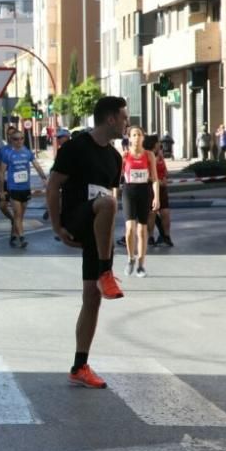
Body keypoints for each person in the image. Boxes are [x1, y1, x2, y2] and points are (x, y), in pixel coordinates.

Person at [46, 96, 128, 390]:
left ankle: (80, 365)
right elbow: (53, 185)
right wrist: (57, 226)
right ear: (110, 119)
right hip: (76, 216)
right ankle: (106, 272)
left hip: (99, 227)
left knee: (91, 299)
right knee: (106, 204)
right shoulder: (76, 147)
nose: (126, 123)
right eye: (124, 118)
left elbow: (113, 195)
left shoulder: (115, 157)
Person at [0, 128, 47, 248]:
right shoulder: (8, 154)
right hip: (13, 188)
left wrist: (44, 178)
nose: (19, 141)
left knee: (20, 215)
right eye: (16, 139)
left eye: (21, 138)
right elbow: (2, 173)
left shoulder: (27, 152)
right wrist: (2, 191)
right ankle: (22, 237)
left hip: (25, 188)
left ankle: (14, 235)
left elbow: (37, 166)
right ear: (11, 140)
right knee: (17, 213)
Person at [120, 126, 160, 277]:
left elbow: (155, 178)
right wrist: (113, 195)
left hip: (144, 191)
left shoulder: (149, 155)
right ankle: (131, 258)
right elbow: (116, 178)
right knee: (130, 228)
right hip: (129, 191)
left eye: (139, 135)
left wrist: (156, 197)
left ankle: (141, 264)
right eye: (134, 135)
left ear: (143, 138)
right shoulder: (124, 155)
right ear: (129, 138)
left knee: (142, 230)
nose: (137, 138)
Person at [144, 135, 173, 248]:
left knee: (164, 212)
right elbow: (147, 172)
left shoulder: (160, 156)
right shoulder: (146, 155)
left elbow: (165, 171)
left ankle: (166, 236)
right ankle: (150, 237)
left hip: (162, 187)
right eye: (157, 143)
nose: (159, 145)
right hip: (151, 187)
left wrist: (164, 179)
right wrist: (159, 181)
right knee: (152, 213)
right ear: (152, 144)